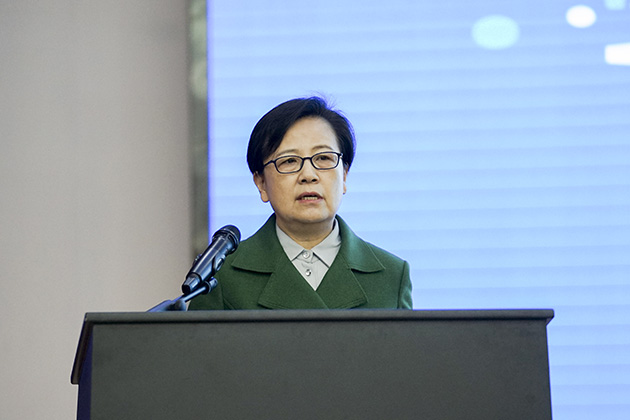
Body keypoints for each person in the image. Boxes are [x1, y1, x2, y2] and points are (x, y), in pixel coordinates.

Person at [188, 97, 412, 310]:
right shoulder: (220, 278)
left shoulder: (391, 276)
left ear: (344, 175)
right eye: (289, 161)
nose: (308, 175)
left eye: (323, 158)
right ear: (261, 183)